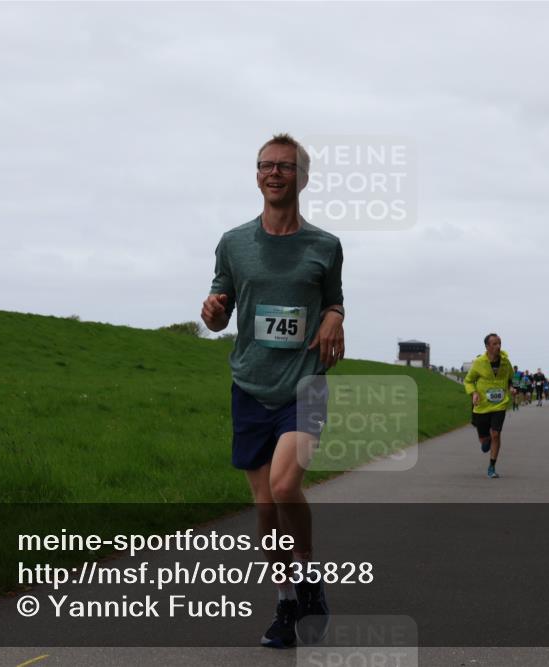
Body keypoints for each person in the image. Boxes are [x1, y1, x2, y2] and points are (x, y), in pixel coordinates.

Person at [201, 133, 343, 649]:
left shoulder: (325, 246)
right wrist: (212, 313)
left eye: (285, 166)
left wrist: (335, 316)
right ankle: (286, 603)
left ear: (302, 177)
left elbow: (334, 299)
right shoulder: (234, 243)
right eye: (266, 165)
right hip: (250, 385)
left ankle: (308, 583)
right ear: (257, 175)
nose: (275, 173)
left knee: (284, 488)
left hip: (304, 386)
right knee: (264, 508)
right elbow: (219, 308)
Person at [463, 333, 513, 478]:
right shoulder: (479, 363)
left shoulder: (506, 362)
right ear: (487, 346)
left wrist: (511, 387)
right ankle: (486, 440)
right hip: (482, 406)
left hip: (499, 404)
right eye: (495, 344)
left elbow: (511, 378)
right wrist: (473, 393)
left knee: (496, 434)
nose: (498, 346)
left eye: (499, 343)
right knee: (485, 442)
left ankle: (492, 467)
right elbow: (468, 381)